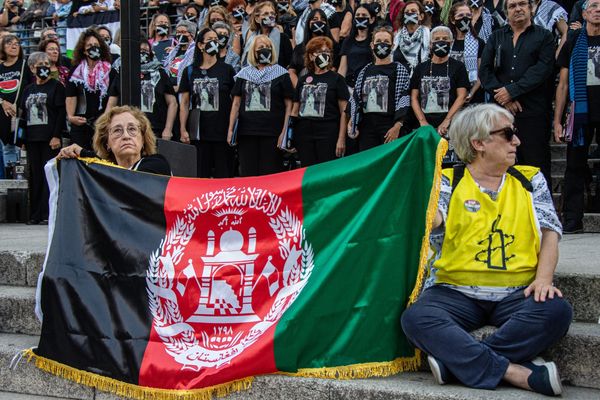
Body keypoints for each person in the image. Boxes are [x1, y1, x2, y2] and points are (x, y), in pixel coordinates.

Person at [401, 103, 571, 397]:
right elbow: (434, 216)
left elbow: (550, 233)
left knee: (557, 311)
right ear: (478, 143)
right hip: (454, 291)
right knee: (416, 319)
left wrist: (543, 280)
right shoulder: (448, 180)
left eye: (514, 133)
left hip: (518, 291)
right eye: (507, 134)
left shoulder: (530, 179)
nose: (516, 141)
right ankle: (515, 372)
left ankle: (457, 363)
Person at [480, 0, 556, 186]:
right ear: (506, 12)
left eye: (522, 4)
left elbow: (542, 69)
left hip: (534, 113)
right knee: (502, 164)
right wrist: (504, 98)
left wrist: (512, 91)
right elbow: (485, 71)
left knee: (536, 165)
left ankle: (537, 211)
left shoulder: (544, 36)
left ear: (531, 8)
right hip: (502, 114)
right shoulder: (496, 37)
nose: (518, 9)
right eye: (512, 6)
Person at [553, 0, 600, 233]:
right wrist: (557, 120)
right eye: (593, 6)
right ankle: (572, 219)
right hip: (580, 112)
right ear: (583, 13)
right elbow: (562, 84)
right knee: (574, 165)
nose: (598, 10)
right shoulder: (573, 40)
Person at [228, 34, 293, 176]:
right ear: (253, 51)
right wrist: (231, 129)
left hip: (272, 133)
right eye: (261, 47)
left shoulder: (281, 74)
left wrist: (284, 132)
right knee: (248, 173)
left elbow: (289, 105)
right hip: (247, 132)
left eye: (268, 47)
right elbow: (236, 104)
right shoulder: (244, 74)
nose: (265, 49)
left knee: (270, 174)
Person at [179, 27, 236, 178]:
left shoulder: (227, 69)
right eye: (210, 40)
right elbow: (184, 103)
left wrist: (232, 129)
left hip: (222, 133)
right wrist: (183, 129)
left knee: (224, 176)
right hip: (199, 134)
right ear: (200, 45)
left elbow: (235, 101)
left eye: (216, 40)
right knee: (200, 176)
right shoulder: (190, 71)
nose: (214, 43)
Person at [19, 52, 64, 224]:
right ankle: (35, 214)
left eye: (46, 63)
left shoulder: (57, 86)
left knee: (49, 175)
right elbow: (23, 113)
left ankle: (47, 213)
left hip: (49, 139)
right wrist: (22, 140)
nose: (44, 66)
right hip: (32, 139)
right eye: (40, 64)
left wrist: (56, 135)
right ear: (32, 68)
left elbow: (60, 114)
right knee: (35, 176)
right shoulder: (29, 89)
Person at [58, 105, 171, 175]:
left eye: (132, 129)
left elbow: (126, 178)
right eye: (117, 131)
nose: (126, 136)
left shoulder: (158, 164)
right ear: (107, 143)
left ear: (143, 139)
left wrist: (84, 153)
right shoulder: (100, 177)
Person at [348, 26, 410, 151]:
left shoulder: (399, 69)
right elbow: (356, 99)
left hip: (389, 126)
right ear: (372, 45)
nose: (382, 44)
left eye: (386, 42)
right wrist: (352, 121)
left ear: (392, 46)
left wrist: (397, 126)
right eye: (378, 41)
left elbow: (405, 99)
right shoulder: (364, 71)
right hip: (367, 128)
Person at [292, 36, 349, 166]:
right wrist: (290, 136)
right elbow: (295, 111)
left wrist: (341, 139)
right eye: (320, 52)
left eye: (327, 52)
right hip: (304, 134)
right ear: (311, 56)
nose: (324, 55)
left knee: (326, 171)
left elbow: (344, 112)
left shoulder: (337, 79)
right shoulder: (302, 80)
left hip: (328, 134)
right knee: (307, 170)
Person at [107, 39, 177, 141]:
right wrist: (107, 127)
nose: (142, 53)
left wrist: (168, 129)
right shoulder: (123, 73)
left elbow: (172, 103)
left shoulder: (160, 72)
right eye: (139, 50)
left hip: (154, 129)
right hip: (126, 129)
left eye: (145, 50)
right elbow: (111, 104)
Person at [410, 26, 469, 135]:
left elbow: (462, 96)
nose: (441, 41)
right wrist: (423, 122)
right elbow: (413, 97)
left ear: (451, 43)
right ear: (431, 44)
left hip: (450, 125)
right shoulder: (420, 68)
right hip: (424, 125)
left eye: (445, 39)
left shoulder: (458, 67)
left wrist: (447, 120)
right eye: (437, 39)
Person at [66, 28, 113, 150]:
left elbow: (114, 96)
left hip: (102, 123)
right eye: (90, 45)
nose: (93, 48)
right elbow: (71, 95)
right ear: (84, 50)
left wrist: (106, 120)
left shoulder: (109, 69)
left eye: (96, 45)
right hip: (81, 124)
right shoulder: (76, 70)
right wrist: (71, 117)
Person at [0, 34, 30, 179]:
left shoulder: (25, 65)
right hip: (3, 114)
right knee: (7, 147)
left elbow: (31, 88)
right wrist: (3, 102)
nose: (14, 46)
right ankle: (11, 177)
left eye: (16, 43)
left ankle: (21, 177)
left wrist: (19, 106)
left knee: (20, 145)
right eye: (9, 43)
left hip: (21, 112)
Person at [288, 8, 339, 86]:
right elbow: (292, 71)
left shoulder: (334, 46)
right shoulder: (299, 48)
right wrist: (300, 88)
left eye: (322, 19)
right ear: (308, 23)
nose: (318, 21)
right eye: (315, 19)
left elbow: (334, 69)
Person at [449, 1, 486, 103]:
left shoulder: (479, 43)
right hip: (450, 94)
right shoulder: (448, 42)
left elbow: (481, 73)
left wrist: (471, 93)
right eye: (460, 15)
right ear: (453, 20)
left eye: (468, 15)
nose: (465, 18)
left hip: (473, 96)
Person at [242, 1, 293, 68]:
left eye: (272, 13)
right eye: (266, 14)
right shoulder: (252, 39)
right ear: (257, 19)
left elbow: (289, 63)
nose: (270, 16)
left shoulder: (283, 38)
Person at [338, 4, 377, 88]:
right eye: (357, 15)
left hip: (368, 85)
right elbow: (342, 68)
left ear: (372, 19)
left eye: (364, 15)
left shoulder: (375, 40)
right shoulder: (348, 40)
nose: (360, 17)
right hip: (349, 87)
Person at [393, 0, 431, 74]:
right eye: (407, 12)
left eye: (413, 11)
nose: (410, 13)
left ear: (421, 16)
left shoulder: (429, 35)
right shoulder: (396, 37)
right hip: (399, 79)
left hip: (420, 77)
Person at [163, 20, 197, 91]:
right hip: (169, 89)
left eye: (183, 32)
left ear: (192, 34)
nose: (179, 34)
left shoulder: (196, 51)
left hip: (184, 89)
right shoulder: (173, 51)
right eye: (178, 32)